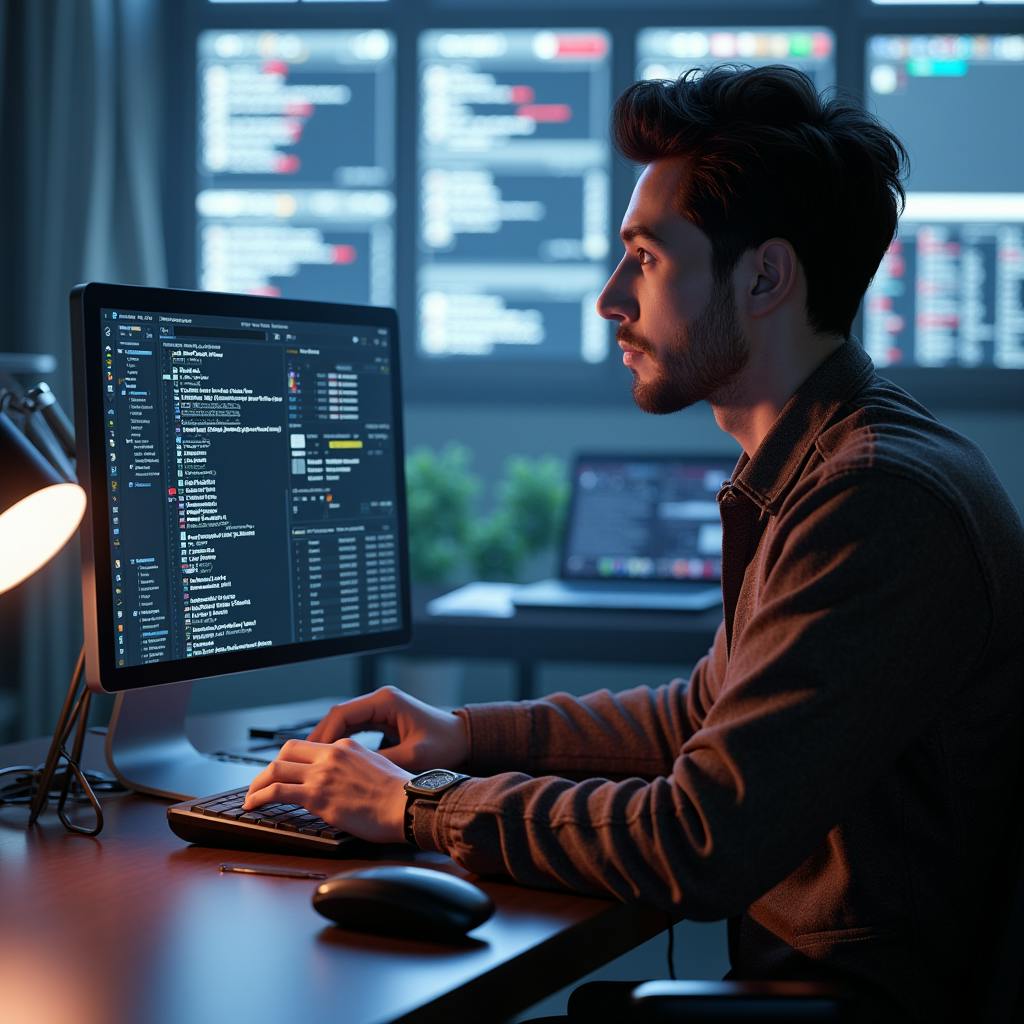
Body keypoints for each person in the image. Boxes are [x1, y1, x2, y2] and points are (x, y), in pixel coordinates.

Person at [244, 66, 1024, 1021]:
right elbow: (695, 721)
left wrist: (417, 806)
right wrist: (468, 735)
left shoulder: (871, 499)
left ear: (766, 276)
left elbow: (698, 836)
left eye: (647, 258)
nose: (612, 298)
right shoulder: (823, 466)